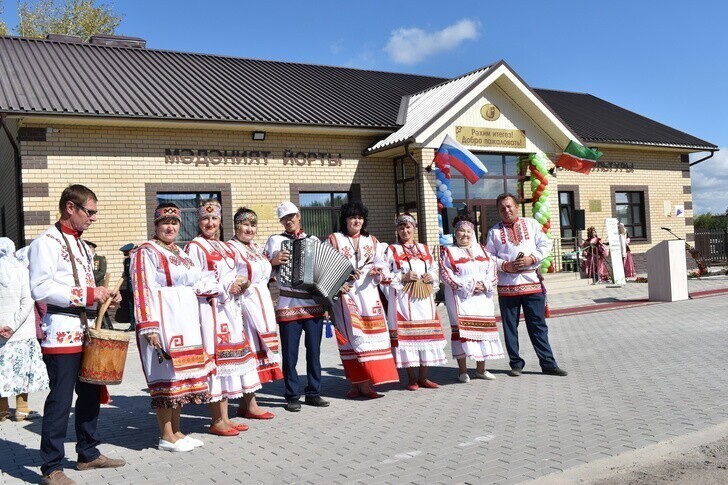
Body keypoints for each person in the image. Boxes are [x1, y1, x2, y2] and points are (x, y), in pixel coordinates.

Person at [29, 184, 125, 485]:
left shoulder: (83, 245)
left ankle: (88, 453)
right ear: (71, 207)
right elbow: (40, 288)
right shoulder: (45, 242)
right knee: (60, 399)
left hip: (85, 331)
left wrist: (106, 295)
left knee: (90, 393)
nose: (93, 218)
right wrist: (87, 293)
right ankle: (51, 467)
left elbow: (89, 288)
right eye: (90, 211)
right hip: (60, 331)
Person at [130, 203, 215, 452]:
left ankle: (177, 431)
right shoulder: (146, 251)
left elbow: (197, 280)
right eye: (165, 222)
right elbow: (141, 289)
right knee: (166, 377)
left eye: (175, 222)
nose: (170, 227)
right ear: (156, 225)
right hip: (163, 321)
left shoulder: (181, 252)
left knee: (180, 378)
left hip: (185, 321)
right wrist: (149, 326)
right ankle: (166, 435)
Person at [186, 199, 261, 436]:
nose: (210, 223)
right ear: (199, 221)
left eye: (214, 218)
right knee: (216, 366)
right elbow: (195, 282)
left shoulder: (225, 247)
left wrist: (242, 282)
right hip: (210, 312)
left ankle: (226, 417)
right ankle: (216, 419)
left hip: (230, 312)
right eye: (205, 219)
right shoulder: (195, 247)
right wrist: (226, 287)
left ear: (220, 221)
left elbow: (237, 272)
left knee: (230, 366)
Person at [485, 193, 567, 377]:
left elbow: (545, 245)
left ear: (516, 206)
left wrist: (532, 258)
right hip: (507, 286)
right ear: (498, 211)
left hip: (531, 283)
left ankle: (548, 363)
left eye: (509, 206)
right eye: (502, 208)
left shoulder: (531, 224)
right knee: (509, 327)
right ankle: (515, 363)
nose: (506, 210)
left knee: (538, 325)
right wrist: (505, 265)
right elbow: (488, 257)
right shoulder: (494, 232)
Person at [327, 202, 398, 399]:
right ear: (345, 220)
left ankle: (367, 384)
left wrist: (378, 271)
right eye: (352, 217)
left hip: (368, 294)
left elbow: (382, 264)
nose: (356, 221)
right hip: (346, 295)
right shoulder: (335, 240)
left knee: (370, 338)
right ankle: (355, 384)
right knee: (351, 339)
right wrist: (341, 278)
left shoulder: (372, 241)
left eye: (359, 217)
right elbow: (324, 268)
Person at [265, 201, 330, 412]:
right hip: (288, 303)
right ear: (281, 221)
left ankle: (313, 392)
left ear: (299, 215)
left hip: (313, 305)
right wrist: (273, 261)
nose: (289, 220)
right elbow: (264, 270)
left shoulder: (313, 240)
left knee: (314, 352)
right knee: (290, 354)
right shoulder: (275, 240)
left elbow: (325, 270)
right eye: (284, 218)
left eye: (291, 216)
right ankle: (292, 395)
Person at [379, 213, 447, 390]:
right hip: (403, 300)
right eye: (401, 227)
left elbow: (435, 269)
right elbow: (383, 274)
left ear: (414, 229)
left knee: (426, 337)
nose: (405, 230)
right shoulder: (391, 250)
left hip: (424, 299)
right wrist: (402, 276)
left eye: (408, 227)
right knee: (406, 340)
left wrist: (429, 276)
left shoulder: (424, 249)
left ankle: (424, 378)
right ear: (397, 230)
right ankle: (411, 378)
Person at [227, 207, 280, 419]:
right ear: (236, 226)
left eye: (252, 225)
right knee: (248, 351)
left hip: (262, 302)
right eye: (245, 224)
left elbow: (266, 273)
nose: (249, 229)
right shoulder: (230, 248)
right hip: (244, 304)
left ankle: (247, 402)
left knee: (259, 349)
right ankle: (249, 404)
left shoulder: (257, 248)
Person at [440, 215, 504, 383]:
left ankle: (481, 370)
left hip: (482, 298)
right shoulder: (448, 251)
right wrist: (466, 286)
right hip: (461, 298)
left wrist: (486, 285)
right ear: (455, 233)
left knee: (482, 332)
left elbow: (492, 270)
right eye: (461, 231)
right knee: (462, 333)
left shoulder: (482, 250)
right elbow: (446, 275)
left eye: (468, 231)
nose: (465, 234)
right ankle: (462, 371)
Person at [0, 238, 49, 422]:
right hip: (21, 332)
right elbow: (27, 301)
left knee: (1, 370)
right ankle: (21, 409)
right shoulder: (22, 271)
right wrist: (11, 326)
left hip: (1, 335)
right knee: (22, 370)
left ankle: (2, 409)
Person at [85, 241, 113, 330]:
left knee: (101, 307)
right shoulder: (84, 259)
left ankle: (104, 324)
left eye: (89, 248)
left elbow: (102, 272)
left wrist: (91, 280)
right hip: (89, 288)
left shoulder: (100, 258)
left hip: (98, 285)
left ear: (92, 249)